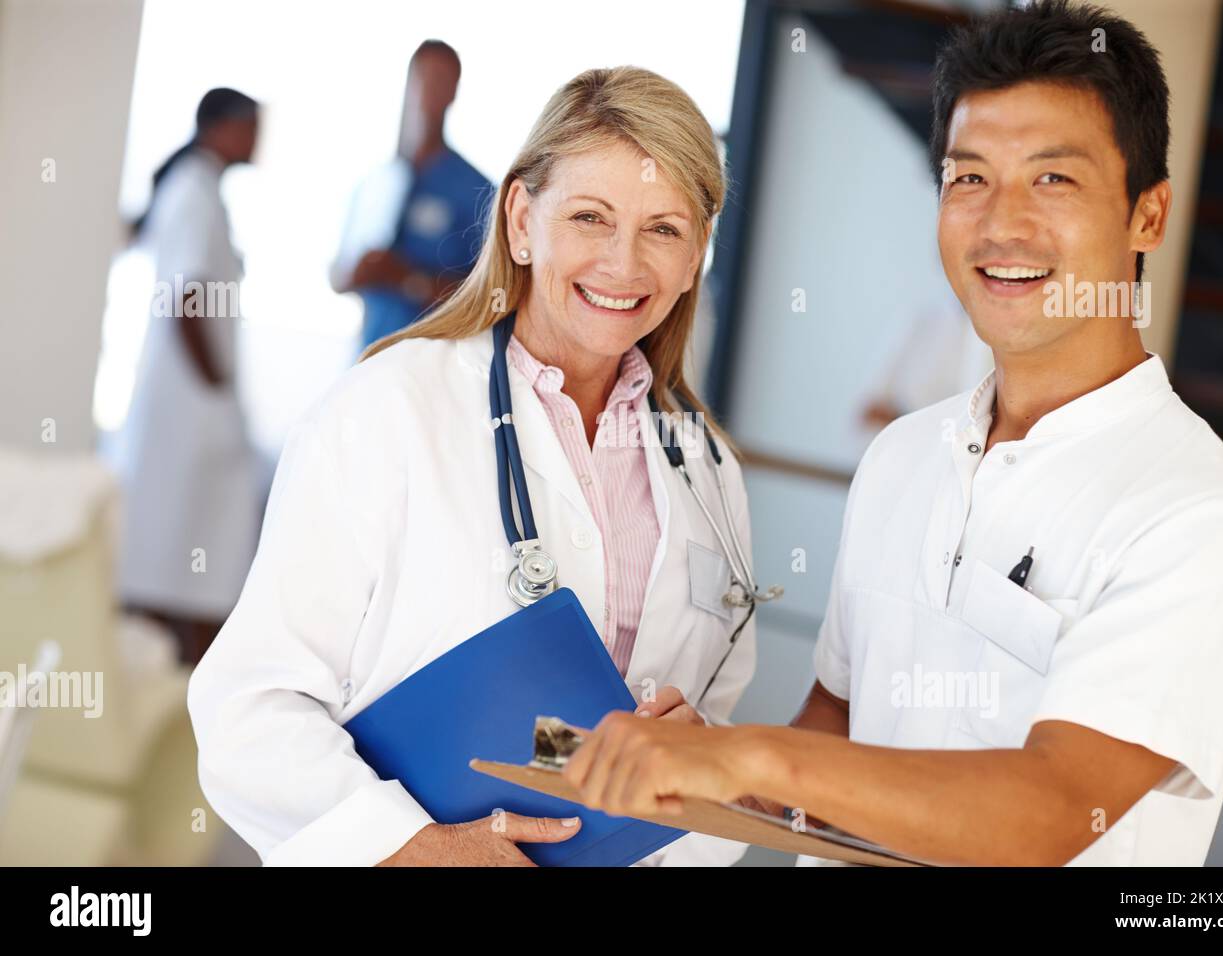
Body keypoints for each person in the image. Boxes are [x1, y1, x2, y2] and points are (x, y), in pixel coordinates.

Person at [560, 0, 1223, 867]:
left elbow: (1052, 811)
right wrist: (699, 766)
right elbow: (835, 726)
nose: (1001, 222)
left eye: (1053, 179)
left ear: (1149, 216)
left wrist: (749, 755)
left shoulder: (1201, 516)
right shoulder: (904, 457)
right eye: (969, 177)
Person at [188, 67, 763, 866]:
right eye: (591, 217)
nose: (624, 264)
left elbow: (716, 726)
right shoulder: (386, 412)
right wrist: (415, 847)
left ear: (698, 249)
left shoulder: (706, 471)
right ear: (523, 220)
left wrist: (702, 771)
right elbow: (247, 708)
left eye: (664, 229)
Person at [117, 88, 262, 665]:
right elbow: (189, 297)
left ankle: (180, 672)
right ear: (222, 129)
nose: (257, 140)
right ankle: (188, 674)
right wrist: (215, 385)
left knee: (184, 541)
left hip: (185, 403)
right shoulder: (196, 193)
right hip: (192, 402)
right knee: (189, 543)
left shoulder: (199, 190)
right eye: (251, 127)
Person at [330, 40, 492, 350]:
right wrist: (361, 271)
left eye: (442, 80)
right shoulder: (376, 180)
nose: (430, 91)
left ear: (455, 90)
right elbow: (338, 276)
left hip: (431, 368)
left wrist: (407, 279)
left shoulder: (477, 191)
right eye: (424, 78)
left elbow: (489, 300)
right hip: (367, 359)